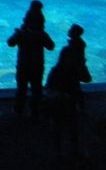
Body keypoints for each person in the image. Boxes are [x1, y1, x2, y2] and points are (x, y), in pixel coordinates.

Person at [45, 27, 91, 158]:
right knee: (72, 127)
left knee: (59, 127)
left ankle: (59, 152)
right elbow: (87, 78)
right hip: (70, 99)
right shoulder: (75, 66)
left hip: (62, 101)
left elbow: (49, 86)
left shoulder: (56, 71)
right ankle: (73, 150)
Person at [7, 4, 55, 120]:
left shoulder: (22, 33)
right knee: (36, 89)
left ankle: (19, 111)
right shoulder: (41, 34)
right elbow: (51, 46)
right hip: (37, 65)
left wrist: (19, 33)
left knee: (21, 89)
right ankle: (35, 112)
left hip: (23, 65)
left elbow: (10, 42)